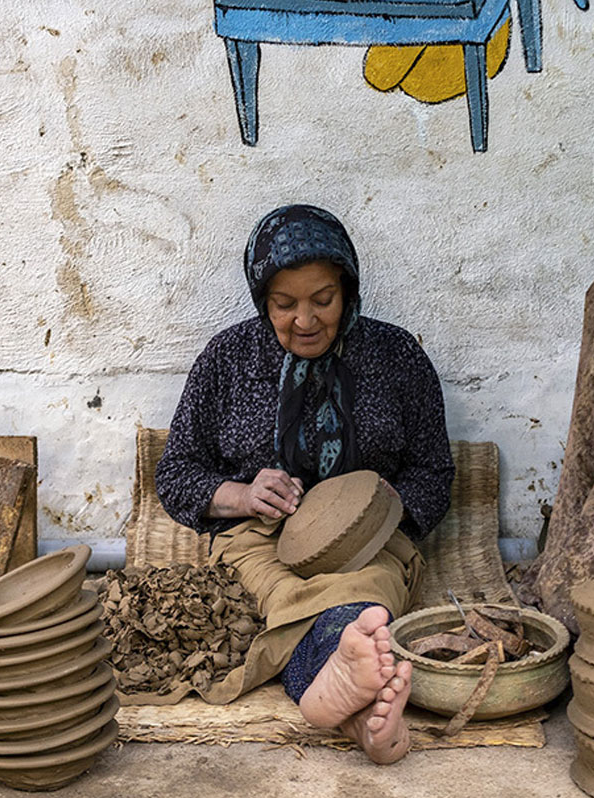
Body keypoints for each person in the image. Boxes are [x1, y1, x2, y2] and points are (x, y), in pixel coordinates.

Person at [155, 204, 454, 763]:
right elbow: (176, 474)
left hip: (369, 542)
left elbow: (434, 472)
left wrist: (384, 505)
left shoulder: (395, 358)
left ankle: (350, 693)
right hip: (258, 539)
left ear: (348, 289)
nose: (306, 320)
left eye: (323, 300)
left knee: (365, 600)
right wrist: (241, 495)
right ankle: (360, 708)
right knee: (283, 599)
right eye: (284, 304)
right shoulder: (227, 360)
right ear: (261, 300)